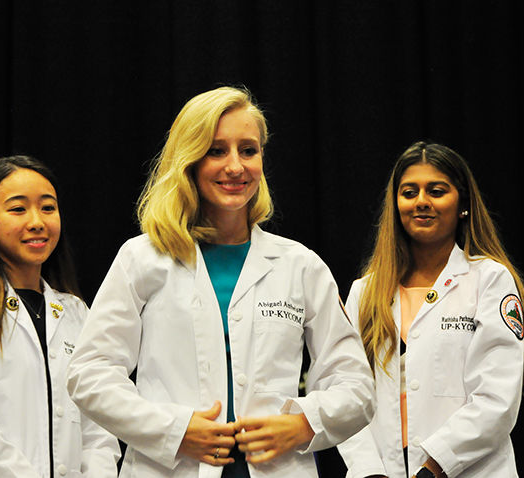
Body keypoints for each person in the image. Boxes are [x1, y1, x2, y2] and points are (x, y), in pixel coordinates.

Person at [66, 86, 374, 478]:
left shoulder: (300, 265)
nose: (235, 166)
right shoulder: (142, 258)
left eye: (248, 150)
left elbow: (357, 388)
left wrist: (304, 423)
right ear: (189, 160)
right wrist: (173, 430)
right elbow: (89, 373)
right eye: (216, 150)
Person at [337, 141, 524, 478]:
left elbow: (496, 399)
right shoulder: (365, 293)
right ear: (396, 204)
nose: (421, 202)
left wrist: (433, 468)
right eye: (409, 192)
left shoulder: (489, 280)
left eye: (436, 191)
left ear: (462, 203)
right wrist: (368, 470)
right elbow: (347, 394)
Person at [0, 156, 120, 478]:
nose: (37, 221)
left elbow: (98, 429)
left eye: (47, 207)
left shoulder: (76, 312)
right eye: (17, 209)